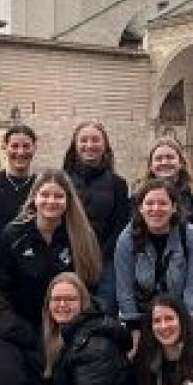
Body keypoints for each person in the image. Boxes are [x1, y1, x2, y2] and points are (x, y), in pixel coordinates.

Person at [0, 169, 102, 329]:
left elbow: (90, 283)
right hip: (24, 325)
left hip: (70, 325)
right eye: (45, 195)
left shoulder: (83, 235)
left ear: (68, 200)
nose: (51, 201)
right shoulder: (13, 234)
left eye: (59, 196)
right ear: (34, 197)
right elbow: (4, 287)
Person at [111, 178, 193, 328]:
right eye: (149, 203)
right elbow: (125, 291)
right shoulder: (127, 240)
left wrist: (182, 326)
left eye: (163, 203)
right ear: (140, 208)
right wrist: (134, 328)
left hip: (186, 319)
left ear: (174, 207)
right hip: (142, 318)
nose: (156, 208)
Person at [64, 122, 132, 307]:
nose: (89, 145)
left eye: (95, 140)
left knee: (103, 314)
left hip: (106, 262)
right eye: (83, 140)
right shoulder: (63, 180)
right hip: (69, 259)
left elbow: (120, 226)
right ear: (75, 146)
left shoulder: (118, 184)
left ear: (105, 145)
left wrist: (98, 257)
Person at [0, 124, 40, 235]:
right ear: (4, 147)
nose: (20, 152)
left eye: (26, 146)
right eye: (14, 146)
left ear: (34, 148)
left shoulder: (41, 187)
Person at [144, 137, 193, 236]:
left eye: (170, 157)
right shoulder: (139, 199)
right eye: (158, 158)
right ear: (151, 166)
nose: (164, 162)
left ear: (181, 163)